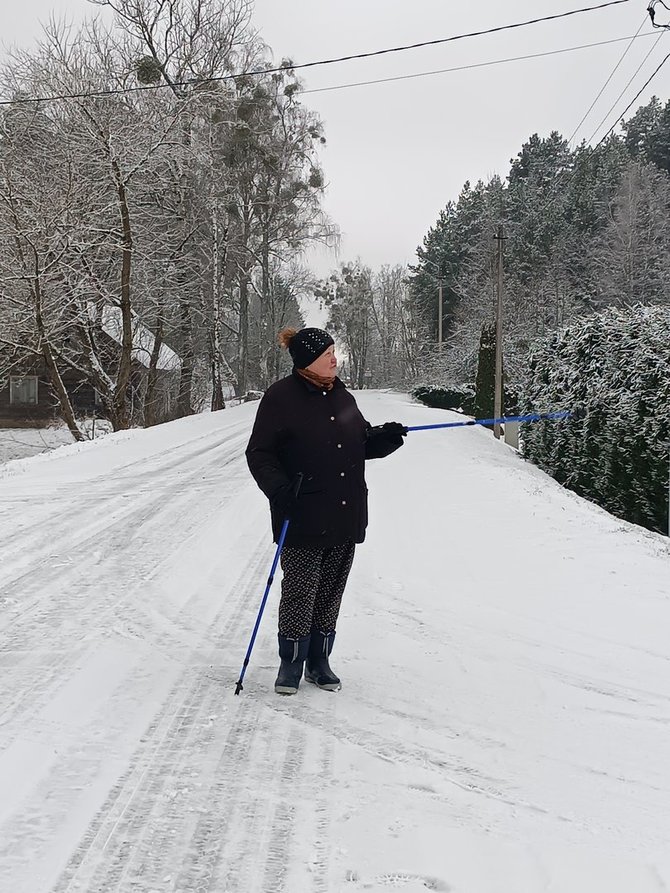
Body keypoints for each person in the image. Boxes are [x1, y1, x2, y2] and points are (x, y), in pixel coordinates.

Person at [245, 326, 407, 695]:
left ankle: (319, 662)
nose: (334, 358)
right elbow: (260, 453)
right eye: (326, 354)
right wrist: (279, 490)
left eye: (334, 351)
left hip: (345, 509)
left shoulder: (342, 396)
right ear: (307, 361)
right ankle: (291, 662)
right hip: (302, 511)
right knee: (301, 590)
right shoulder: (280, 398)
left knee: (331, 590)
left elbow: (359, 441)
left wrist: (383, 438)